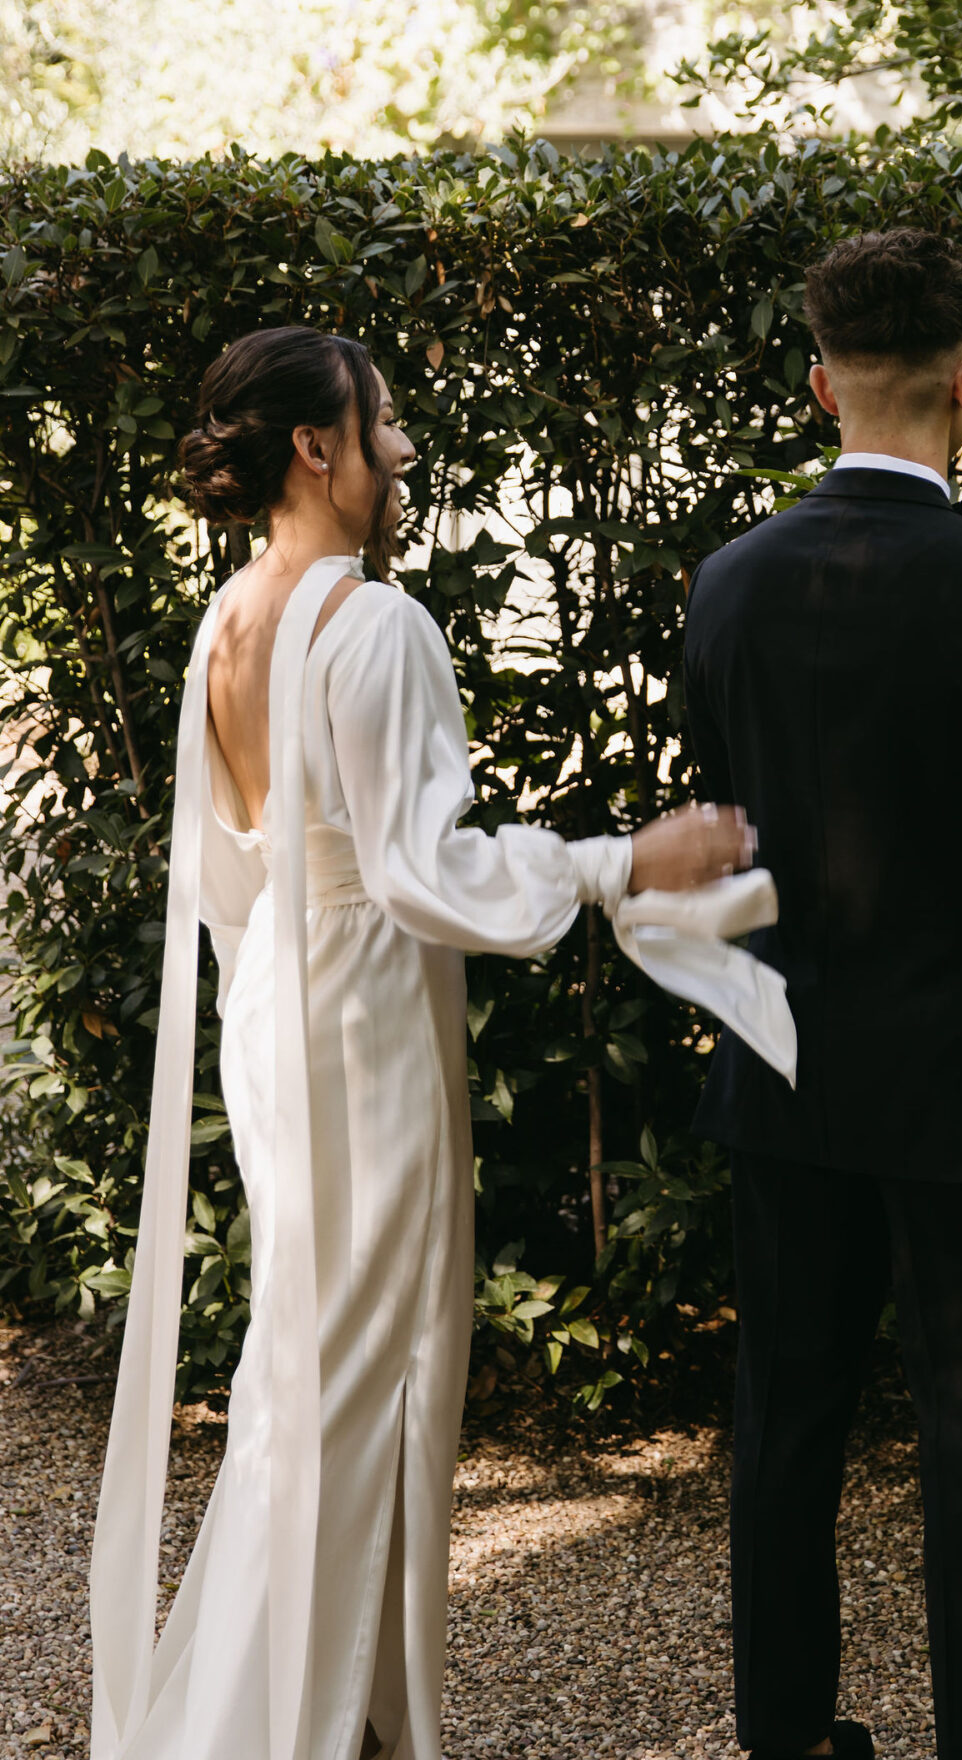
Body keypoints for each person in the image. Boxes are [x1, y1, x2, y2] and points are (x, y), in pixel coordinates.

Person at [89, 325, 794, 1760]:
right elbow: (421, 871)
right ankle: (274, 1726)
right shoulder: (376, 625)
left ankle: (344, 1708)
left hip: (276, 1020)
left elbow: (231, 876)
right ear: (318, 446)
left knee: (318, 1367)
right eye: (385, 421)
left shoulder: (228, 620)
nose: (403, 448)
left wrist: (286, 989)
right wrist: (618, 864)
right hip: (364, 1028)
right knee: (369, 1374)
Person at [683, 227, 962, 1760]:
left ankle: (786, 1737)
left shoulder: (728, 586)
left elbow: (719, 829)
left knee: (786, 1417)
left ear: (821, 387)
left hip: (783, 1064)